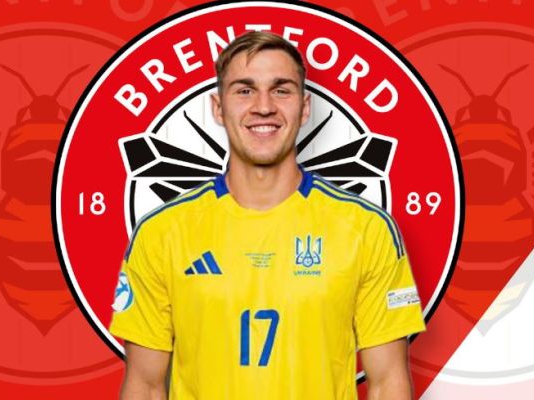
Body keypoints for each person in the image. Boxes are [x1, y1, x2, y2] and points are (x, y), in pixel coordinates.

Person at [109, 31, 425, 399]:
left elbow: (387, 383)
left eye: (281, 90)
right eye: (244, 90)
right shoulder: (162, 232)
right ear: (218, 108)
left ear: (304, 108)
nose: (263, 107)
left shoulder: (366, 229)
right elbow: (145, 386)